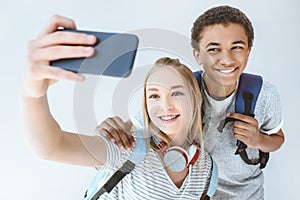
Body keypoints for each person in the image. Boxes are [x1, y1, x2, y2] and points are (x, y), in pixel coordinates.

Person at [98, 5, 285, 199]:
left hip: (248, 194)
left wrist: (258, 140)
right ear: (197, 55)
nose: (226, 59)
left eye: (236, 47)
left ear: (248, 51)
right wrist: (113, 131)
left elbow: (277, 139)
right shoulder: (180, 90)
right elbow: (139, 125)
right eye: (214, 49)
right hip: (192, 193)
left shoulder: (264, 94)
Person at [22, 39, 216, 200]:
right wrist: (33, 95)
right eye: (154, 96)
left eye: (177, 93)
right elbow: (52, 147)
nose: (165, 106)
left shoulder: (207, 169)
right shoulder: (129, 145)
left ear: (195, 99)